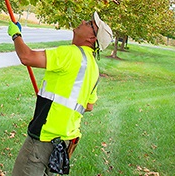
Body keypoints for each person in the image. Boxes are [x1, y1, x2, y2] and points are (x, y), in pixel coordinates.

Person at [10, 13, 113, 175]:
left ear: (92, 39)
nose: (82, 21)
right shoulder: (93, 68)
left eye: (89, 23)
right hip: (65, 142)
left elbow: (27, 57)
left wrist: (16, 35)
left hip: (43, 138)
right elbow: (89, 105)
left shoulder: (71, 53)